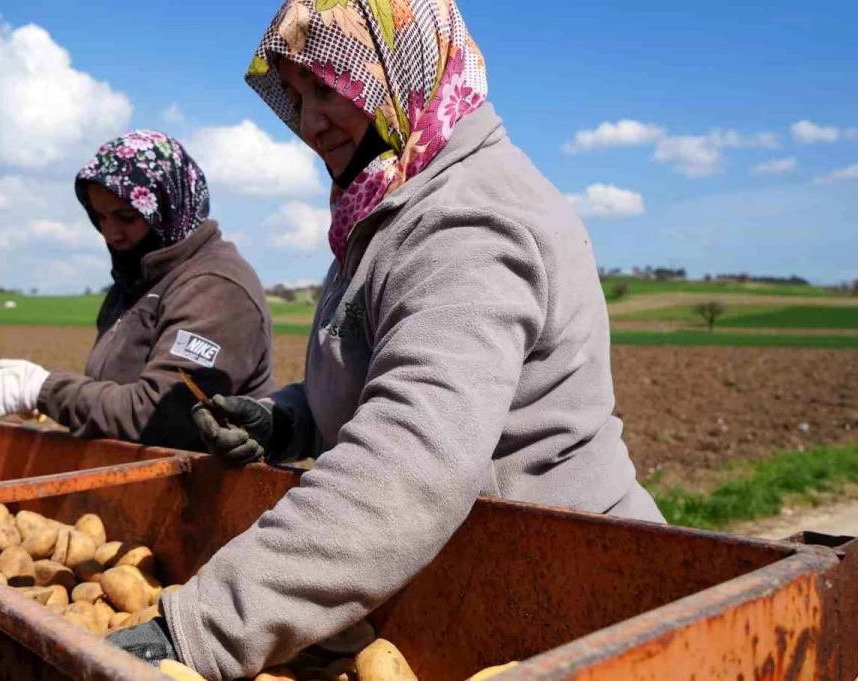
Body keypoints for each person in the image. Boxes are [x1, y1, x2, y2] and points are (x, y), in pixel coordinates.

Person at [105, 2, 666, 679]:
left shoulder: (467, 220)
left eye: (329, 85)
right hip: (472, 580)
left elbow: (409, 466)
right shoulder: (389, 205)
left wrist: (195, 632)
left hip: (571, 595)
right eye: (297, 92)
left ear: (399, 64)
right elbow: (386, 376)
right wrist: (289, 419)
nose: (309, 122)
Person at [0, 130, 277, 452]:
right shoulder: (134, 282)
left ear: (168, 205)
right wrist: (52, 401)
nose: (110, 233)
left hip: (209, 493)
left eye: (126, 216)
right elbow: (116, 391)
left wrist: (45, 391)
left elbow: (159, 416)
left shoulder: (216, 288)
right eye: (100, 216)